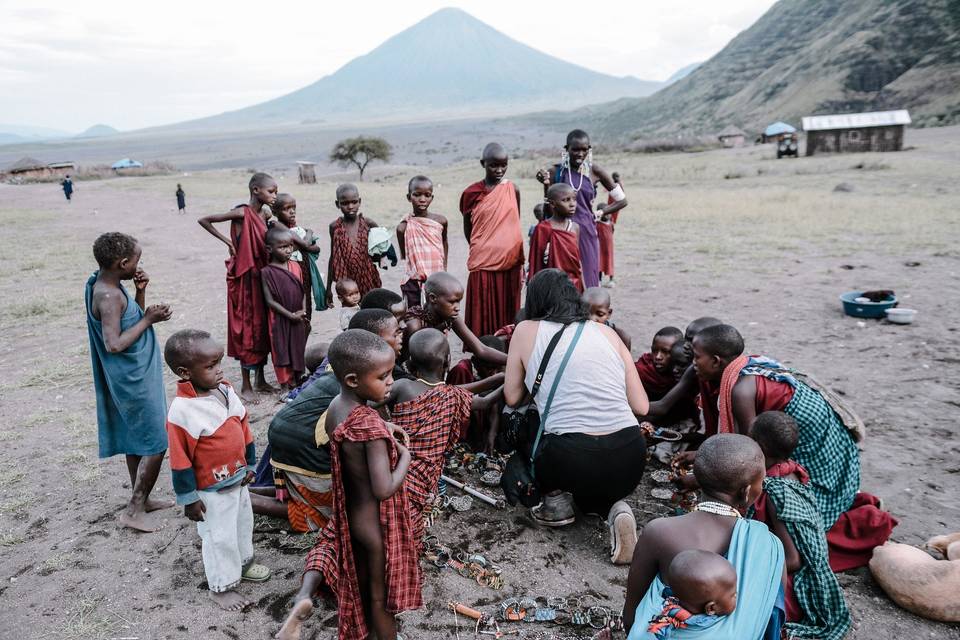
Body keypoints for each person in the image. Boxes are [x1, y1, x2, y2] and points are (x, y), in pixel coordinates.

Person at [276, 330, 421, 640]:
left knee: (365, 589)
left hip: (351, 518)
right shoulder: (369, 427)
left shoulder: (336, 408)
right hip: (375, 528)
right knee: (382, 601)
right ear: (354, 379)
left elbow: (352, 430)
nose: (391, 381)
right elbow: (383, 488)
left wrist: (384, 425)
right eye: (383, 376)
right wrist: (406, 457)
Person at [504, 269, 649, 564]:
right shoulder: (607, 332)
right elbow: (642, 406)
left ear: (534, 300)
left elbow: (512, 397)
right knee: (597, 463)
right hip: (631, 458)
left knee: (532, 414)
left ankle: (555, 500)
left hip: (567, 459)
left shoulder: (526, 330)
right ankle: (614, 507)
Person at [691, 324, 861, 529]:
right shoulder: (746, 368)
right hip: (809, 436)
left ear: (716, 361)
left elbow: (750, 454)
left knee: (781, 507)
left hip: (821, 446)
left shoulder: (741, 391)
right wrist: (698, 455)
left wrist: (701, 478)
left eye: (696, 357)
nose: (693, 363)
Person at [623, 434, 785, 640]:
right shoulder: (768, 546)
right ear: (746, 493)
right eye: (761, 482)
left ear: (697, 478)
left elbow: (632, 616)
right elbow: (771, 620)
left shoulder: (659, 532)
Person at [163, 330, 271, 610]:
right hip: (210, 491)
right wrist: (188, 497)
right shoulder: (183, 411)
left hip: (238, 479)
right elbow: (180, 459)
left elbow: (243, 427)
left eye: (219, 362)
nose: (219, 370)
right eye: (210, 366)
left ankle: (244, 563)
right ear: (185, 373)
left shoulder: (226, 391)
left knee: (242, 525)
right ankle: (221, 586)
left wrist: (249, 463)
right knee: (217, 537)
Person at [85, 232, 174, 532]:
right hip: (131, 379)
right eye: (136, 261)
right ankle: (134, 509)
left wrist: (140, 294)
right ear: (123, 263)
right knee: (156, 442)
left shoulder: (112, 286)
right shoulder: (108, 295)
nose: (139, 265)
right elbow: (114, 343)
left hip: (138, 373)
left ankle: (144, 498)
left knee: (139, 439)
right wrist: (149, 319)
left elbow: (128, 318)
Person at [385, 328, 504, 544]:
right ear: (448, 362)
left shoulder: (402, 387)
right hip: (424, 477)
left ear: (410, 364)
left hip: (394, 467)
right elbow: (485, 402)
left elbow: (371, 405)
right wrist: (508, 380)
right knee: (410, 523)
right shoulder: (453, 396)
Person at [748, 412, 852, 640]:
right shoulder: (791, 469)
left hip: (796, 584)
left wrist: (749, 566)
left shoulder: (775, 493)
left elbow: (794, 561)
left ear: (758, 445)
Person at [198, 172, 278, 403]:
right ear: (256, 190)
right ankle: (245, 385)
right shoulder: (242, 212)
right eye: (270, 191)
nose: (274, 196)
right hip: (245, 280)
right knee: (247, 328)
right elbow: (204, 220)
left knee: (262, 327)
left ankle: (261, 380)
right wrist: (229, 242)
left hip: (261, 276)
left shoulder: (263, 213)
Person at [537, 130, 627, 288]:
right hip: (562, 232)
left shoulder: (595, 171)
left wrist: (600, 212)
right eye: (575, 149)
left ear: (589, 150)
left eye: (584, 149)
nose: (580, 153)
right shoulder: (555, 172)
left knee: (588, 279)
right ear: (567, 149)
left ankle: (588, 312)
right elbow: (548, 210)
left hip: (587, 231)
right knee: (562, 282)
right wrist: (546, 186)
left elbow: (622, 200)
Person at [459, 142, 525, 336]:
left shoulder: (513, 189)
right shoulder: (471, 193)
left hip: (510, 260)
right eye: (493, 165)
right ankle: (485, 351)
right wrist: (482, 247)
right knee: (484, 309)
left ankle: (508, 348)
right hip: (483, 260)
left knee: (508, 306)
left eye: (503, 165)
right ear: (483, 164)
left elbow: (513, 221)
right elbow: (468, 228)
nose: (499, 170)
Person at [403, 272, 508, 367]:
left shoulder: (451, 316)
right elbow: (411, 365)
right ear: (432, 298)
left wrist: (514, 360)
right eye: (452, 302)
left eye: (459, 301)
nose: (457, 307)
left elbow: (481, 349)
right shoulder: (415, 325)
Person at [641, 550, 738, 639]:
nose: (737, 594)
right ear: (711, 608)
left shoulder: (665, 611)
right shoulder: (718, 633)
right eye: (733, 595)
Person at [260, 227, 309, 395]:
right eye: (282, 247)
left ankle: (296, 378)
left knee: (297, 346)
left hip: (298, 315)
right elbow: (269, 301)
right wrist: (289, 315)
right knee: (280, 349)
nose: (288, 250)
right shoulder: (266, 272)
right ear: (269, 249)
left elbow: (302, 290)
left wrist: (302, 310)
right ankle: (284, 384)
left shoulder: (295, 266)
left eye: (290, 246)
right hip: (279, 318)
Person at [446, 335, 508, 451]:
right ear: (476, 361)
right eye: (489, 368)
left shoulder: (498, 373)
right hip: (465, 436)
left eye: (497, 368)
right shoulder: (462, 371)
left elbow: (495, 403)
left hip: (482, 430)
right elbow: (458, 416)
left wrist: (492, 432)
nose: (493, 373)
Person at [325, 183, 380, 307]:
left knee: (371, 309)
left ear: (359, 201)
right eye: (345, 203)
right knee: (351, 313)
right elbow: (333, 257)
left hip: (368, 277)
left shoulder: (368, 223)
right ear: (337, 204)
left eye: (354, 202)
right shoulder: (335, 227)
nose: (350, 206)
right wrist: (328, 288)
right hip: (347, 281)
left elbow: (380, 249)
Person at [397, 175, 448, 309]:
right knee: (413, 315)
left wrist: (444, 267)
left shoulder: (440, 221)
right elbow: (404, 256)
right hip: (413, 280)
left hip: (437, 277)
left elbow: (444, 243)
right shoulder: (403, 227)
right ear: (409, 197)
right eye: (417, 195)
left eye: (427, 195)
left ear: (432, 197)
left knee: (438, 313)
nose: (422, 199)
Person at [271, 193, 324, 315]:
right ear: (274, 212)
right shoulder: (276, 231)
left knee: (306, 308)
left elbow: (316, 249)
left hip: (304, 273)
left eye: (293, 208)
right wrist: (309, 233)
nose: (292, 212)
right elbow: (305, 245)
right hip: (288, 274)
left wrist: (306, 236)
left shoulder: (299, 230)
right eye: (286, 209)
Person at [528, 183, 583, 291]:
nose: (572, 204)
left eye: (574, 199)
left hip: (573, 285)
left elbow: (577, 263)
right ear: (553, 204)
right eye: (566, 200)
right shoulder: (543, 228)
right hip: (551, 287)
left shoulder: (575, 228)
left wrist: (584, 289)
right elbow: (536, 263)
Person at [597, 171, 624, 288]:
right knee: (598, 264)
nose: (608, 215)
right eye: (605, 213)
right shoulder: (596, 224)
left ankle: (612, 280)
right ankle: (598, 281)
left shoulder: (610, 222)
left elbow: (617, 200)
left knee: (609, 263)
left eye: (609, 212)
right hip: (599, 247)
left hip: (608, 248)